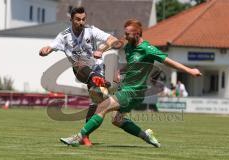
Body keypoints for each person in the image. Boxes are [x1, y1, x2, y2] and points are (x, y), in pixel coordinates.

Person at [59, 19, 202, 147]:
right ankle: (146, 136)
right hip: (129, 90)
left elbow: (168, 61)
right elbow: (132, 63)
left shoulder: (147, 49)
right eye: (125, 33)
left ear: (137, 33)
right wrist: (120, 71)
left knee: (102, 107)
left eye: (128, 34)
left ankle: (79, 137)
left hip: (134, 91)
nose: (125, 36)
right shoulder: (129, 47)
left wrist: (189, 70)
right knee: (117, 120)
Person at [39, 7, 118, 146]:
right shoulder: (64, 36)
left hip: (97, 68)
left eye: (83, 19)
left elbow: (113, 39)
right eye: (77, 19)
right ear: (71, 20)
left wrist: (101, 49)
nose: (81, 22)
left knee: (96, 104)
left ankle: (85, 136)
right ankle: (97, 80)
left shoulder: (91, 30)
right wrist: (45, 50)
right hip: (81, 70)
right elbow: (50, 47)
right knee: (78, 63)